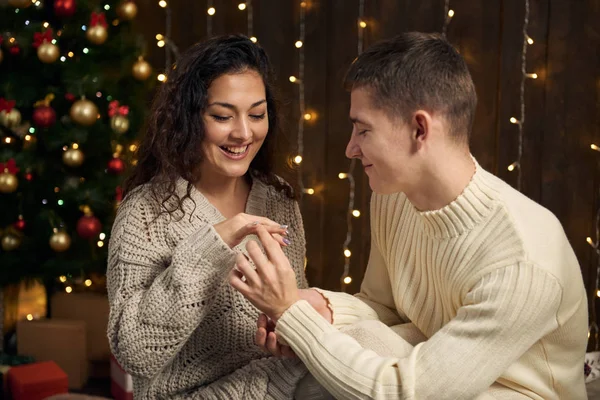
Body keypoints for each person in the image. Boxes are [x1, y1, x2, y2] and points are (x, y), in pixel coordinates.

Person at [230, 32, 589, 399]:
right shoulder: (393, 196)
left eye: (364, 129)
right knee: (340, 352)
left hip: (513, 393)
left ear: (420, 129)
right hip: (435, 366)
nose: (351, 148)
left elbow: (407, 393)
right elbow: (382, 307)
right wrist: (319, 308)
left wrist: (290, 312)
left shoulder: (521, 261)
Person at [106, 35, 310, 399]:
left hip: (277, 384)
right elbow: (134, 352)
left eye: (257, 114)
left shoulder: (279, 198)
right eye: (222, 116)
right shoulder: (146, 211)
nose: (244, 133)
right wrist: (211, 246)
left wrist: (289, 331)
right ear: (190, 117)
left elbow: (293, 300)